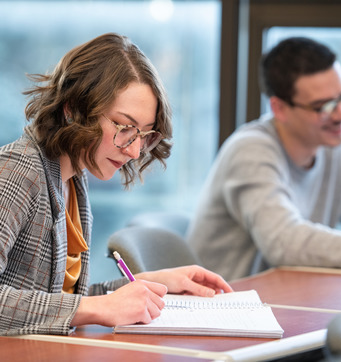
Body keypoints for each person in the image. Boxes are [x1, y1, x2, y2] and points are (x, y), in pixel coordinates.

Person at [0, 33, 233, 336]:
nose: (135, 151)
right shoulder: (18, 171)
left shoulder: (73, 178)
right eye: (124, 128)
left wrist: (150, 283)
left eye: (144, 134)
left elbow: (60, 301)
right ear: (72, 110)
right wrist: (102, 308)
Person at [187, 36, 341, 281]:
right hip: (224, 308)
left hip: (295, 302)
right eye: (324, 106)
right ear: (279, 108)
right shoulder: (250, 151)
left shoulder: (338, 152)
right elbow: (284, 243)